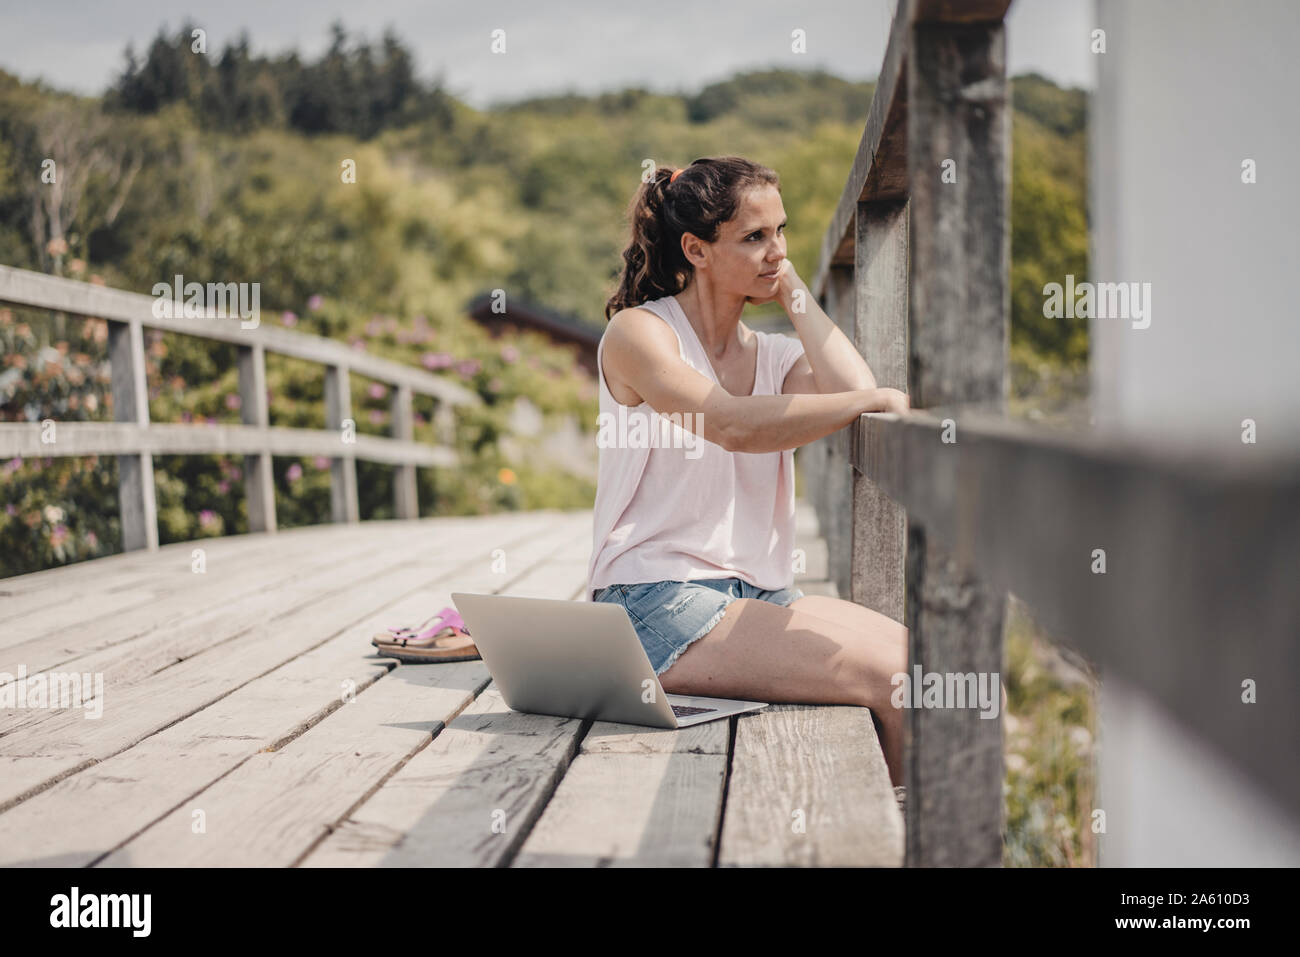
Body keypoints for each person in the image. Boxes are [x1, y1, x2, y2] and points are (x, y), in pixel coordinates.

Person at [587, 155, 911, 786]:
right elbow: (732, 426)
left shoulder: (776, 356)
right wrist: (864, 402)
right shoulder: (640, 335)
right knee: (899, 680)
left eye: (782, 232)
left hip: (757, 593)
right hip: (653, 600)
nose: (776, 252)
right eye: (755, 238)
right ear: (696, 250)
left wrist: (790, 289)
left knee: (927, 665)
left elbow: (854, 388)